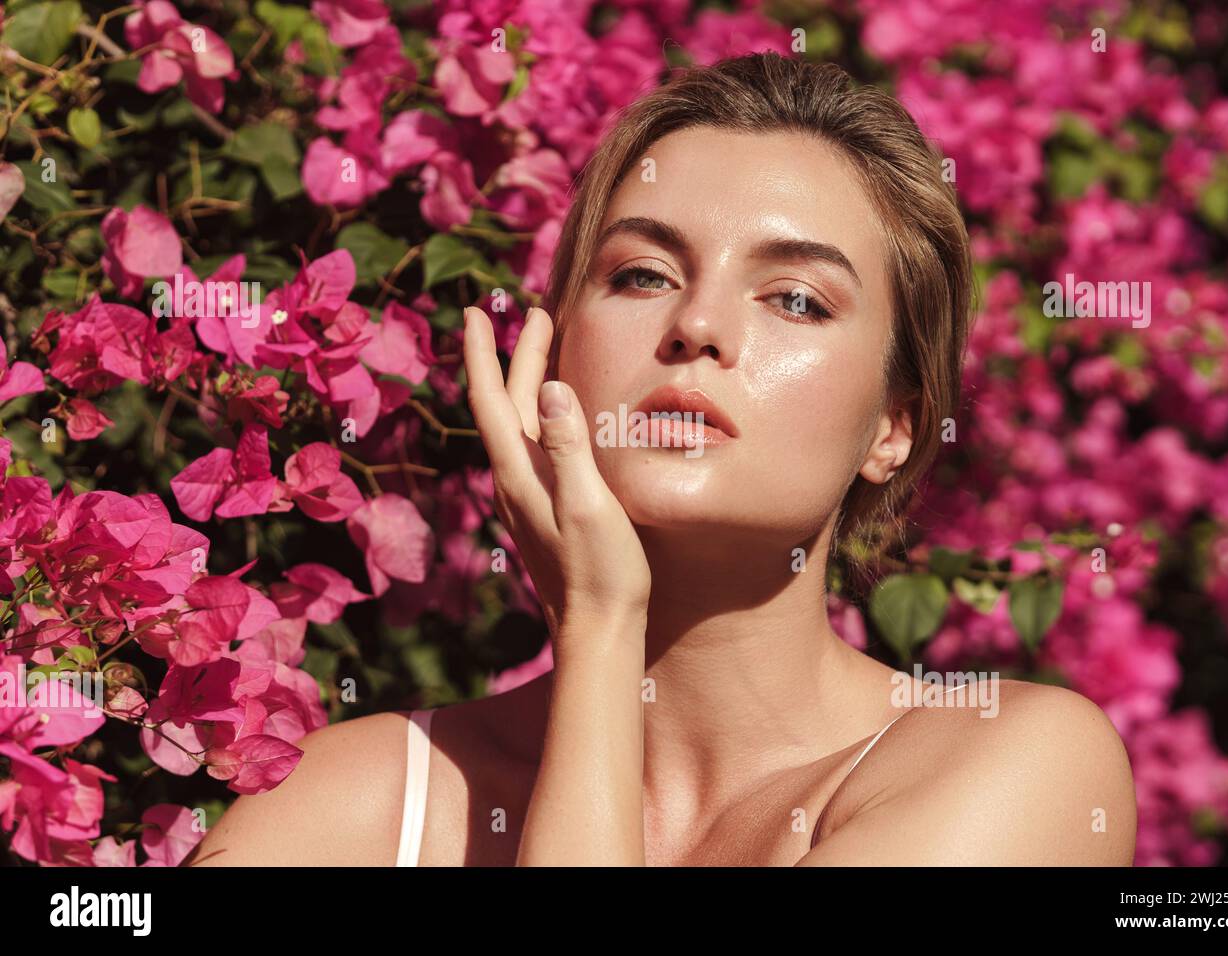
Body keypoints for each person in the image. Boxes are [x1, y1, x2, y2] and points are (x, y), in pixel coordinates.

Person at [187, 52, 1136, 867]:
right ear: (552, 352)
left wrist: (598, 623)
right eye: (643, 274)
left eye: (796, 299)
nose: (697, 326)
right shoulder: (346, 806)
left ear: (894, 426)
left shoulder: (1016, 764)